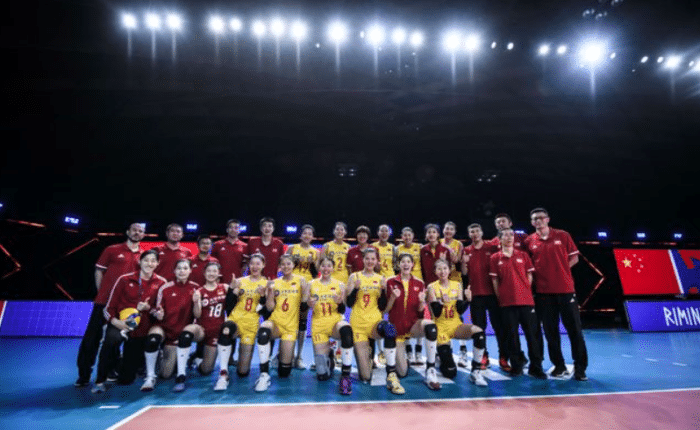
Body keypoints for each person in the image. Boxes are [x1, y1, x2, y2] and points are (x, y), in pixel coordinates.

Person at [76, 222, 144, 387]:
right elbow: (99, 271)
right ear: (127, 231)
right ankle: (84, 374)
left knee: (115, 339)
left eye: (140, 231)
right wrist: (103, 294)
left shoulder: (143, 255)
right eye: (134, 230)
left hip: (125, 307)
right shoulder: (112, 250)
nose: (137, 233)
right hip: (103, 302)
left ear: (143, 235)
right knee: (91, 339)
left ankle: (111, 370)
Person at [526, 208, 588, 381]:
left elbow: (574, 258)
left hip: (566, 291)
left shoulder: (563, 235)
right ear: (532, 222)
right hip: (543, 293)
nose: (538, 221)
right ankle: (559, 366)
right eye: (535, 219)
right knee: (550, 333)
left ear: (548, 219)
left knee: (575, 331)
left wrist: (561, 270)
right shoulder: (530, 241)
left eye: (541, 218)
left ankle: (580, 368)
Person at [91, 250, 167, 393]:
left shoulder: (161, 283)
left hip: (140, 329)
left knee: (126, 379)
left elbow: (158, 310)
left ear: (157, 263)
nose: (149, 264)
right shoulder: (124, 279)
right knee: (111, 340)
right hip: (120, 324)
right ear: (139, 261)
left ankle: (124, 363)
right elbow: (108, 307)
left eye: (153, 261)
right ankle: (100, 380)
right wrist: (116, 322)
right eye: (146, 260)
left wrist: (150, 309)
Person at [489, 228, 547, 379]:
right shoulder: (495, 258)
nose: (509, 237)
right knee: (512, 336)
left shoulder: (523, 255)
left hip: (526, 302)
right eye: (505, 235)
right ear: (499, 239)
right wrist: (501, 297)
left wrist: (524, 290)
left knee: (532, 336)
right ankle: (516, 366)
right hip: (507, 303)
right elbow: (495, 281)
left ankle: (536, 367)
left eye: (511, 235)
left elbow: (529, 276)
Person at [346, 248, 403, 394]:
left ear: (377, 261)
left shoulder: (381, 278)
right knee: (365, 376)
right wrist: (355, 289)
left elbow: (383, 307)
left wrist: (383, 290)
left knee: (390, 329)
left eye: (373, 259)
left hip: (374, 323)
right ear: (363, 260)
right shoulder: (354, 276)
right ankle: (368, 356)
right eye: (367, 258)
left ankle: (391, 374)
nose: (370, 261)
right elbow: (349, 303)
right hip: (358, 325)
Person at [140, 259, 201, 392]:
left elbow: (197, 315)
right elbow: (158, 311)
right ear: (174, 271)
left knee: (168, 373)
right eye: (179, 268)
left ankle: (181, 374)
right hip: (165, 329)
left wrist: (197, 302)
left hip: (183, 332)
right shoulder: (165, 288)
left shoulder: (195, 288)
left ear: (190, 271)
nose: (182, 271)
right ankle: (150, 377)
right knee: (154, 341)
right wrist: (159, 314)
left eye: (185, 268)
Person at [427, 259, 488, 387]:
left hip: (455, 325)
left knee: (479, 333)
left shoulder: (457, 285)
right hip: (441, 327)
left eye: (445, 268)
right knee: (450, 372)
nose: (442, 271)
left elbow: (460, 309)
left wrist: (468, 300)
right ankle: (441, 356)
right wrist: (441, 303)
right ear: (435, 272)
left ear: (449, 270)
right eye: (439, 269)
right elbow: (436, 313)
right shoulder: (431, 287)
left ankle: (475, 372)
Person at [385, 254, 441, 390]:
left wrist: (422, 303)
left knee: (431, 327)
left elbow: (420, 312)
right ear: (398, 265)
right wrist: (392, 298)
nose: (405, 264)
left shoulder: (419, 283)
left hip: (413, 326)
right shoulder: (390, 282)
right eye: (402, 262)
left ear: (412, 265)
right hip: (397, 330)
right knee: (402, 373)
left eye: (408, 262)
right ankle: (403, 360)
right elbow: (385, 310)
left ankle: (431, 369)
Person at [254, 255, 307, 391]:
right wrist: (270, 293)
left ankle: (280, 356)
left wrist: (306, 291)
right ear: (279, 267)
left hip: (290, 327)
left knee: (284, 373)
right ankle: (264, 374)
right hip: (276, 322)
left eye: (289, 264)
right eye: (283, 264)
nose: (286, 266)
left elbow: (304, 305)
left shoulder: (301, 281)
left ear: (293, 265)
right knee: (263, 331)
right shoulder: (274, 283)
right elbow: (270, 308)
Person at [462, 223, 510, 371]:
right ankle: (483, 356)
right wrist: (463, 262)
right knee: (479, 329)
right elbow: (464, 273)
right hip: (476, 295)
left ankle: (503, 357)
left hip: (493, 295)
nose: (475, 234)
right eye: (472, 232)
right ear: (469, 234)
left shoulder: (492, 247)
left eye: (477, 231)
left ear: (482, 233)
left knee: (499, 328)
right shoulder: (466, 250)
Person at [217, 254, 269, 381]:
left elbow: (265, 312)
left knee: (243, 372)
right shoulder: (240, 281)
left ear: (263, 265)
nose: (255, 266)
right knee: (226, 328)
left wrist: (263, 296)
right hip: (235, 319)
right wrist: (231, 291)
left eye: (258, 263)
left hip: (251, 324)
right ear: (248, 265)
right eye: (252, 263)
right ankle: (223, 373)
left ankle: (237, 363)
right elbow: (228, 305)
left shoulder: (266, 284)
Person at [308, 257, 355, 395]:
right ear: (319, 268)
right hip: (319, 326)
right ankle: (329, 354)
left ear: (333, 268)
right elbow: (304, 306)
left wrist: (340, 303)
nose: (326, 269)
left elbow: (342, 310)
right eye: (323, 266)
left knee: (347, 331)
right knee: (322, 376)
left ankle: (345, 376)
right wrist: (308, 304)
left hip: (335, 323)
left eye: (329, 266)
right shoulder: (311, 284)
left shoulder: (340, 285)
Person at [190, 262, 231, 389]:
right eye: (209, 271)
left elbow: (233, 304)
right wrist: (196, 302)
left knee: (206, 370)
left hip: (217, 331)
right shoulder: (199, 291)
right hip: (202, 330)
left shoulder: (224, 287)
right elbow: (197, 315)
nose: (211, 274)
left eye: (214, 271)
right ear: (204, 273)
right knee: (187, 334)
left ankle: (197, 359)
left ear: (219, 273)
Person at [285, 224, 319, 369]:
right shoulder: (292, 248)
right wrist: (293, 261)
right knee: (288, 319)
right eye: (304, 233)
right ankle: (285, 354)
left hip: (307, 287)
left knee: (302, 320)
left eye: (309, 234)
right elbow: (284, 267)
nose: (307, 236)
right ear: (300, 235)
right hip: (291, 286)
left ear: (312, 237)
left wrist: (312, 264)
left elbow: (317, 272)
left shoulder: (316, 252)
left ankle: (299, 356)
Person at [395, 227, 425, 365]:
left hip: (419, 285)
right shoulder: (397, 249)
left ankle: (418, 351)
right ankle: (408, 351)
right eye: (405, 235)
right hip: (404, 284)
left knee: (420, 316)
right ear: (402, 236)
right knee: (404, 316)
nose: (407, 237)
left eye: (409, 235)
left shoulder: (420, 247)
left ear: (413, 236)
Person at [211, 219, 247, 285]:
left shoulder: (245, 246)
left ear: (239, 230)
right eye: (231, 227)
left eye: (236, 228)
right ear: (227, 230)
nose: (233, 230)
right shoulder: (217, 244)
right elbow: (211, 262)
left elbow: (245, 265)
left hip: (237, 282)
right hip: (220, 282)